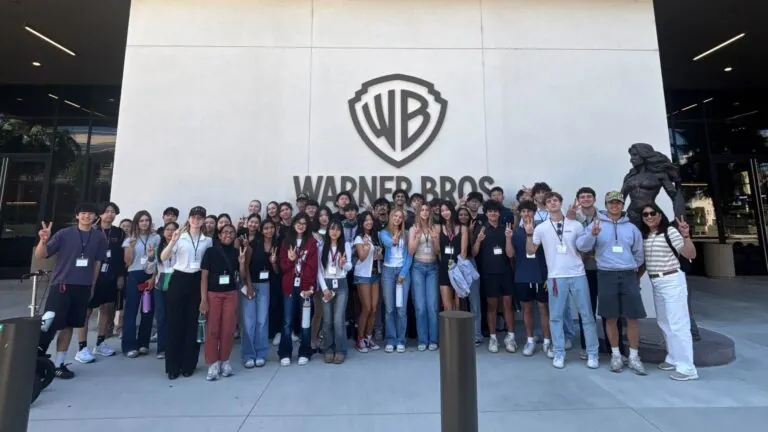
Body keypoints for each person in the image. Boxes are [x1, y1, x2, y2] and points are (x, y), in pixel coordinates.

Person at [526, 192, 599, 369]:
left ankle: (592, 353)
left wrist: (591, 237)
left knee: (587, 315)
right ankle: (559, 352)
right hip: (556, 277)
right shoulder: (541, 228)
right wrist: (528, 234)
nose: (552, 203)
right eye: (549, 201)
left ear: (560, 203)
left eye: (555, 200)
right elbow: (530, 251)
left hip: (578, 274)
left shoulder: (575, 225)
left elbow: (584, 248)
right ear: (545, 205)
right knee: (556, 317)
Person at [35, 202, 108, 379]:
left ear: (95, 217)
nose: (86, 216)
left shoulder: (99, 237)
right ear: (77, 216)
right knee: (49, 324)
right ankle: (36, 361)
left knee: (69, 325)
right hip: (62, 285)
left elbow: (97, 263)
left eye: (90, 213)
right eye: (83, 213)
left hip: (83, 287)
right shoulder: (64, 234)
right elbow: (41, 255)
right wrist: (43, 241)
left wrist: (92, 285)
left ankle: (59, 364)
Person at [576, 191, 646, 375]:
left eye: (618, 203)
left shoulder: (631, 228)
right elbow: (582, 246)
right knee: (610, 316)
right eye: (611, 203)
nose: (614, 206)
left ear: (622, 205)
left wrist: (630, 266)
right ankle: (615, 355)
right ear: (605, 205)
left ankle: (634, 356)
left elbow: (639, 253)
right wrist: (592, 235)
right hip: (606, 274)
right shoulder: (596, 224)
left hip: (628, 274)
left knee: (632, 317)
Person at [639, 203, 699, 381]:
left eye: (652, 213)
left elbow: (690, 254)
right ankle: (672, 358)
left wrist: (686, 236)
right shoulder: (647, 236)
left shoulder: (670, 232)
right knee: (664, 321)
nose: (649, 217)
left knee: (678, 323)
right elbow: (646, 262)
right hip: (656, 281)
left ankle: (687, 368)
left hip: (672, 279)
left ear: (660, 215)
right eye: (645, 214)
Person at [160, 206, 213, 380]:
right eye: (194, 217)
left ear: (203, 220)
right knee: (175, 323)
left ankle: (188, 364)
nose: (196, 220)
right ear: (189, 219)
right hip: (179, 278)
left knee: (192, 324)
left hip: (197, 280)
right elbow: (163, 257)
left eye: (200, 218)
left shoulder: (207, 241)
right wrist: (172, 241)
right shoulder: (179, 237)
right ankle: (172, 366)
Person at [574, 187, 624, 359]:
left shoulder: (605, 217)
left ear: (595, 199)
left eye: (589, 196)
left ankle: (614, 348)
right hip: (584, 269)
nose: (586, 199)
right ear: (578, 200)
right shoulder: (573, 218)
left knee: (610, 310)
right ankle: (586, 346)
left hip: (605, 269)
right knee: (586, 309)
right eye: (582, 197)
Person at [74, 202, 124, 364]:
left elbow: (121, 256)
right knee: (86, 311)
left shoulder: (119, 232)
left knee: (106, 309)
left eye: (113, 211)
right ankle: (82, 347)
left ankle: (101, 342)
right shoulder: (92, 231)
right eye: (107, 211)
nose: (110, 214)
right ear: (100, 214)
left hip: (110, 275)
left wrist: (120, 276)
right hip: (91, 276)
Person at [200, 224, 249, 381]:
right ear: (219, 235)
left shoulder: (236, 252)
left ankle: (225, 361)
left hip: (230, 294)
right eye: (225, 232)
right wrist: (203, 299)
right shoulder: (210, 252)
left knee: (228, 329)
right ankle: (213, 363)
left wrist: (241, 262)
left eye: (232, 232)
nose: (228, 235)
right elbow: (204, 277)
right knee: (212, 329)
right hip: (213, 294)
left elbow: (241, 276)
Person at [472, 200, 516, 353]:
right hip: (488, 273)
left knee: (507, 305)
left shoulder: (506, 229)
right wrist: (478, 241)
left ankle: (510, 337)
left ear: (499, 213)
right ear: (486, 213)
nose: (493, 213)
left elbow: (510, 254)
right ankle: (493, 338)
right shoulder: (481, 229)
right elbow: (474, 253)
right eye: (490, 211)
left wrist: (508, 239)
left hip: (505, 272)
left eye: (495, 211)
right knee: (491, 306)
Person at [511, 201, 552, 357]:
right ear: (520, 214)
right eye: (523, 211)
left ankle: (547, 342)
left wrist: (549, 275)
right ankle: (530, 340)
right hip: (523, 275)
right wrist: (507, 239)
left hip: (541, 275)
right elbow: (511, 254)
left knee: (543, 309)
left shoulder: (543, 229)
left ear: (534, 213)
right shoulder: (515, 232)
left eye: (529, 211)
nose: (526, 214)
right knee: (527, 309)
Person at [278, 212, 318, 366]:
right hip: (289, 286)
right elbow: (283, 266)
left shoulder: (312, 242)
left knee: (305, 321)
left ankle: (305, 352)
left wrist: (307, 286)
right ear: (294, 224)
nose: (301, 226)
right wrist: (291, 260)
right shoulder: (287, 241)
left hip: (305, 287)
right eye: (298, 223)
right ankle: (285, 353)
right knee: (287, 321)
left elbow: (312, 267)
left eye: (304, 223)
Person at [121, 210, 161, 358]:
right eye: (141, 221)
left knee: (147, 310)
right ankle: (129, 346)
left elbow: (159, 260)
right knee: (131, 310)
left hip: (150, 275)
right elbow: (127, 262)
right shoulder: (130, 238)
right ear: (137, 223)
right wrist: (131, 247)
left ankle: (144, 343)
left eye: (147, 220)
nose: (144, 223)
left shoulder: (156, 238)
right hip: (134, 275)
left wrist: (153, 277)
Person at [242, 218, 278, 368]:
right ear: (261, 230)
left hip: (265, 285)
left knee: (262, 321)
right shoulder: (253, 244)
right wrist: (249, 285)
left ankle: (261, 354)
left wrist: (273, 262)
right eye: (266, 228)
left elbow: (277, 271)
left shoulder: (277, 245)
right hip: (251, 284)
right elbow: (245, 266)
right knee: (249, 321)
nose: (269, 230)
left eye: (271, 228)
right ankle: (248, 355)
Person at [317, 220, 353, 364]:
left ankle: (340, 350)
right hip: (326, 284)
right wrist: (324, 288)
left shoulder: (345, 245)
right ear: (328, 230)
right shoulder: (321, 247)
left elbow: (350, 266)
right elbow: (319, 270)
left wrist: (343, 264)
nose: (334, 232)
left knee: (338, 319)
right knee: (327, 320)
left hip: (341, 284)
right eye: (332, 229)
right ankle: (328, 349)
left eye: (338, 229)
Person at [379, 208, 413, 353]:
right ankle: (391, 339)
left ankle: (400, 340)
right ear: (390, 217)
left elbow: (410, 255)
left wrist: (403, 273)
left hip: (402, 272)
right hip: (388, 271)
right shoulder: (383, 233)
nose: (397, 219)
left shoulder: (407, 234)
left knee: (401, 308)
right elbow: (388, 243)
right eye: (395, 216)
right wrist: (393, 239)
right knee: (389, 308)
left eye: (400, 217)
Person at [409, 203, 440, 351]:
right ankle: (422, 340)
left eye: (427, 210)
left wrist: (435, 240)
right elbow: (410, 251)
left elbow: (438, 251)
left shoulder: (436, 228)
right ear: (418, 212)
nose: (425, 212)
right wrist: (416, 237)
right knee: (420, 306)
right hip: (418, 267)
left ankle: (433, 339)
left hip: (433, 267)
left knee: (432, 306)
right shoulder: (413, 228)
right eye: (422, 210)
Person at [353, 211, 382, 352]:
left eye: (370, 220)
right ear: (361, 223)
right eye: (366, 220)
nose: (369, 222)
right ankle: (360, 338)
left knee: (374, 308)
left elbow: (378, 256)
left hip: (375, 274)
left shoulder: (375, 237)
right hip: (363, 275)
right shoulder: (359, 238)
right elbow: (362, 257)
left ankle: (369, 337)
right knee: (367, 308)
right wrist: (366, 247)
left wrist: (379, 254)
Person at [154, 221, 178, 359]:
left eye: (173, 229)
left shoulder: (181, 246)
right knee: (161, 317)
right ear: (163, 232)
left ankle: (174, 347)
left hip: (176, 285)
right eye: (167, 229)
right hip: (160, 286)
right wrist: (150, 257)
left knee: (174, 317)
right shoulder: (157, 247)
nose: (170, 232)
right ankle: (162, 348)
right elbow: (150, 268)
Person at [438, 202, 468, 313]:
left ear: (452, 210)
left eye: (447, 210)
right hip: (444, 268)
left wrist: (457, 269)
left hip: (458, 268)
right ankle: (448, 326)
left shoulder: (462, 228)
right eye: (442, 211)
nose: (445, 213)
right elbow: (438, 251)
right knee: (447, 307)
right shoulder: (438, 228)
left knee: (459, 305)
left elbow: (464, 252)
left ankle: (459, 326)